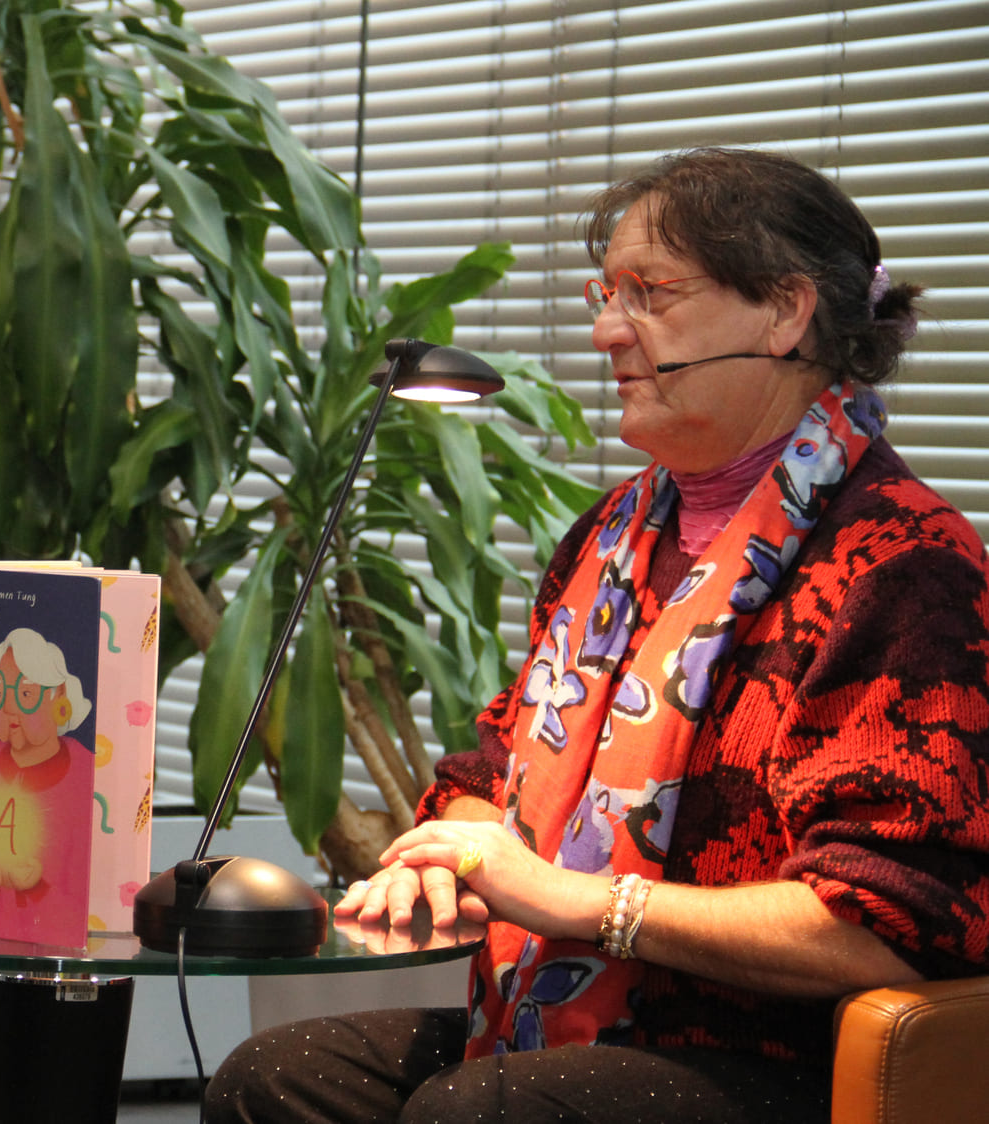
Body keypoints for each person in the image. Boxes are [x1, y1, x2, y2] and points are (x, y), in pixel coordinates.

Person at [204, 146, 989, 1124]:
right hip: (556, 1019)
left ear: (785, 312)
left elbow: (891, 921)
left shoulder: (901, 560)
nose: (606, 330)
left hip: (784, 1052)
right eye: (603, 292)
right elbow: (497, 762)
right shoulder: (611, 534)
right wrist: (450, 849)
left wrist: (580, 902)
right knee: (275, 1075)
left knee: (480, 1111)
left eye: (648, 293)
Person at [0, 627, 95, 942]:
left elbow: (91, 898)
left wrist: (34, 886)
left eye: (25, 694)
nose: (9, 707)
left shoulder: (87, 778)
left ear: (60, 701)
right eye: (1, 692)